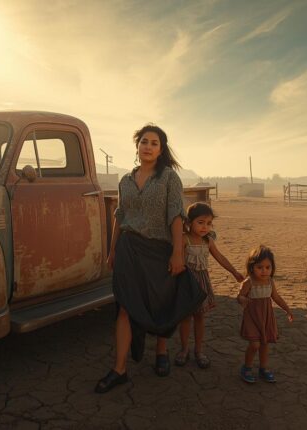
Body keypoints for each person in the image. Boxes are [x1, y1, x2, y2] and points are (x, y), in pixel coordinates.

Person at [95, 124, 207, 394]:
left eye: (154, 143)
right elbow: (120, 217)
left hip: (159, 250)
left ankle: (161, 351)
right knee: (125, 306)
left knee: (161, 303)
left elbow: (176, 217)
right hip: (128, 250)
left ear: (161, 149)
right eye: (144, 141)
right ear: (137, 146)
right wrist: (113, 250)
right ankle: (119, 368)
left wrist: (177, 252)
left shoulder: (169, 178)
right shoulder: (125, 181)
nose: (148, 146)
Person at [175, 202, 244, 369]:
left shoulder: (208, 241)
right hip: (186, 283)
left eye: (208, 223)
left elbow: (220, 257)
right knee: (185, 318)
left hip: (202, 283)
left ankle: (199, 351)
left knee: (200, 317)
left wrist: (234, 272)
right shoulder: (184, 239)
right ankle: (184, 350)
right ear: (188, 222)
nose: (205, 227)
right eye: (200, 222)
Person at [236, 245, 293, 384]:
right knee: (255, 344)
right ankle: (247, 367)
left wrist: (287, 309)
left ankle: (263, 368)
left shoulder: (270, 282)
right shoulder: (249, 282)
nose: (264, 271)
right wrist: (243, 299)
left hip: (266, 316)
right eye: (259, 267)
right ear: (251, 267)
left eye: (268, 267)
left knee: (265, 343)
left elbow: (276, 297)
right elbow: (239, 296)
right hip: (252, 317)